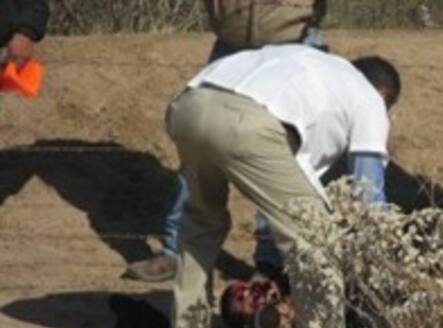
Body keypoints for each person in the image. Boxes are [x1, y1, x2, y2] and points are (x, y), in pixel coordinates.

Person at [165, 46, 400, 328]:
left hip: (189, 106)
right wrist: (384, 269)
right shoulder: (369, 100)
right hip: (251, 123)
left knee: (202, 222)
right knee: (318, 252)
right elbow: (369, 197)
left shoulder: (312, 67)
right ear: (382, 96)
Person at [124, 0, 327, 282]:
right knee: (198, 146)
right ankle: (178, 250)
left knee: (281, 154)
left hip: (295, 40)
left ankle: (272, 262)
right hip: (232, 37)